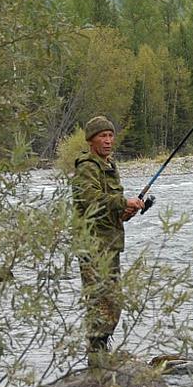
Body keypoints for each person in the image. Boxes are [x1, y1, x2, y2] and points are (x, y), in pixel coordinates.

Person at [71, 116, 146, 366]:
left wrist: (124, 213)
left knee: (113, 302)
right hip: (92, 247)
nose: (108, 141)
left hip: (110, 244)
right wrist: (123, 202)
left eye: (111, 135)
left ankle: (101, 351)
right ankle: (96, 357)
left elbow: (108, 208)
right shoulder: (86, 167)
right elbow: (91, 199)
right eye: (102, 136)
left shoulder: (110, 165)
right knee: (98, 302)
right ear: (91, 140)